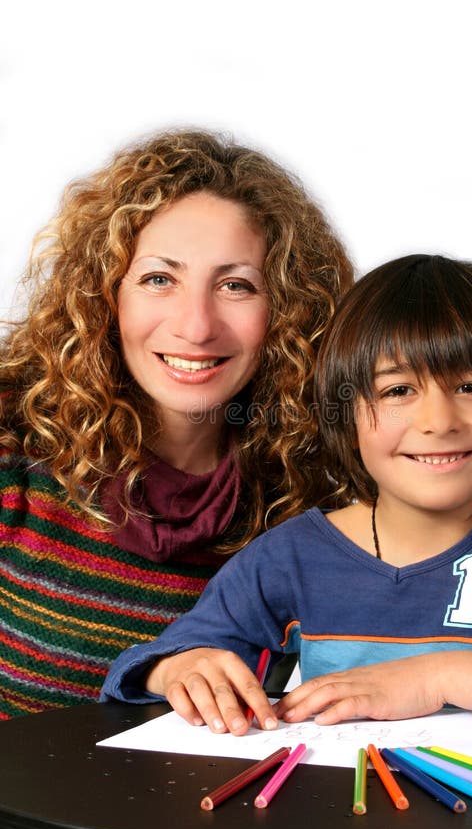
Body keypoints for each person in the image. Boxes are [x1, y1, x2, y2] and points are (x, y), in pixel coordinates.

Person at [101, 253, 472, 732]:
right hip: (339, 810)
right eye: (397, 390)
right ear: (348, 415)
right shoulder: (290, 558)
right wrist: (178, 668)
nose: (440, 422)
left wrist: (439, 677)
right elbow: (167, 657)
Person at [0, 129, 354, 719]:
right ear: (104, 295)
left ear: (288, 311)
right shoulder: (14, 439)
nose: (195, 326)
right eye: (159, 279)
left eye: (235, 285)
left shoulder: (316, 488)